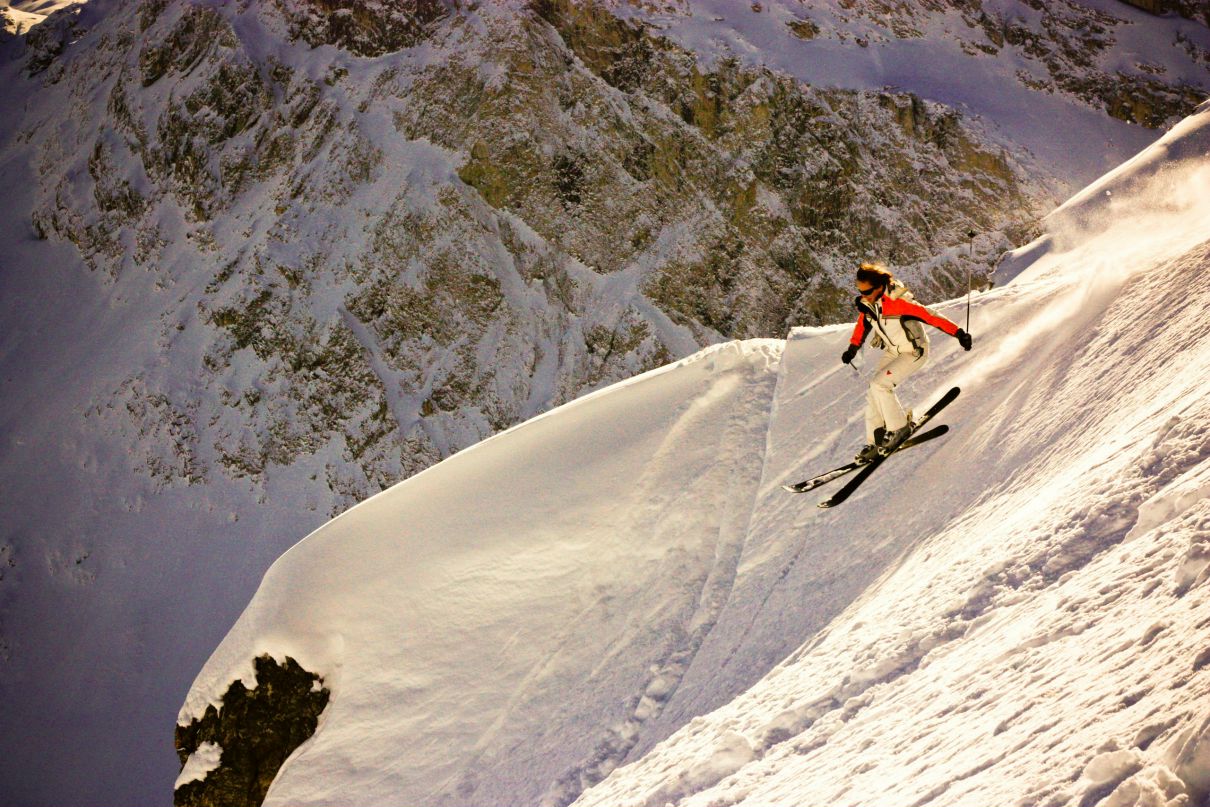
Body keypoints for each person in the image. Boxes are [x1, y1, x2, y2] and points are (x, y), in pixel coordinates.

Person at [841, 263, 972, 462]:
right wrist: (852, 348)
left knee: (880, 385)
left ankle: (899, 428)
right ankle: (875, 441)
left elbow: (930, 316)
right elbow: (862, 326)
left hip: (914, 351)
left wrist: (959, 333)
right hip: (894, 351)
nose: (863, 295)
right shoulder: (869, 304)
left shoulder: (898, 302)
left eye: (866, 291)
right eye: (860, 291)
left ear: (878, 287)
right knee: (873, 389)